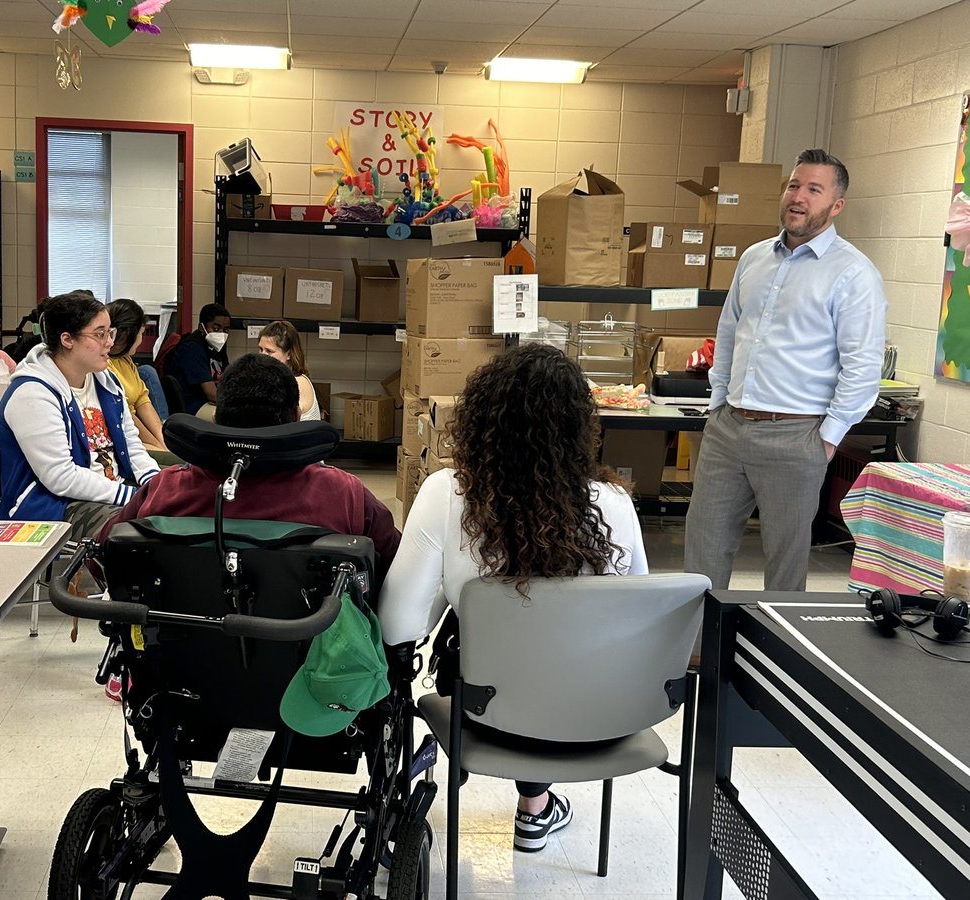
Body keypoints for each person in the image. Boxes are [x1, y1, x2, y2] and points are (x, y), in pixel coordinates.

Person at [377, 344, 648, 854]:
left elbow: (396, 625)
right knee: (556, 657)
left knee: (493, 657)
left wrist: (447, 599)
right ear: (579, 426)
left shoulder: (447, 494)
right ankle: (535, 808)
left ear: (482, 418)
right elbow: (638, 616)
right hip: (596, 716)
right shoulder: (615, 504)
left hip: (486, 716)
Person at [684, 149, 887, 593]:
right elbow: (729, 332)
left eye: (814, 189)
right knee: (702, 552)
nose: (799, 197)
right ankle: (697, 638)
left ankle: (775, 641)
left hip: (797, 436)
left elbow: (862, 366)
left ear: (836, 205)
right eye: (794, 185)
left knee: (784, 566)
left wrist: (827, 439)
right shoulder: (754, 258)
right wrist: (717, 403)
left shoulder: (854, 274)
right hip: (728, 429)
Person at [99, 352, 400, 566]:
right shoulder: (342, 492)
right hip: (312, 637)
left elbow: (102, 555)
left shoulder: (166, 488)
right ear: (296, 416)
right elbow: (397, 566)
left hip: (181, 635)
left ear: (216, 418)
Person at [0, 291, 158, 543]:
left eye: (110, 333)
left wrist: (154, 485)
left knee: (181, 510)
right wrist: (133, 496)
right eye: (100, 334)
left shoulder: (106, 382)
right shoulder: (33, 393)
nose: (110, 343)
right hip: (56, 506)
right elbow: (61, 478)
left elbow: (131, 445)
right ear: (67, 339)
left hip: (111, 491)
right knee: (146, 536)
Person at [105, 298, 171, 454]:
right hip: (123, 438)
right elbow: (126, 414)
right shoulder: (104, 366)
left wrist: (164, 442)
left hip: (136, 436)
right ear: (127, 335)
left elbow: (143, 401)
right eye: (141, 333)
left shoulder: (125, 359)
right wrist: (159, 448)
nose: (141, 339)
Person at [166, 303, 231, 416]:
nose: (221, 334)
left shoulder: (217, 347)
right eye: (216, 328)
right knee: (233, 418)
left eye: (226, 330)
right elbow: (211, 393)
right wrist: (236, 404)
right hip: (193, 406)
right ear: (202, 327)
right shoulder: (192, 348)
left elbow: (229, 379)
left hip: (212, 402)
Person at [257, 319, 322, 421]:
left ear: (289, 354)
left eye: (269, 351)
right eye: (261, 349)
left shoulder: (297, 382)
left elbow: (282, 421)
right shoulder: (275, 379)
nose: (262, 355)